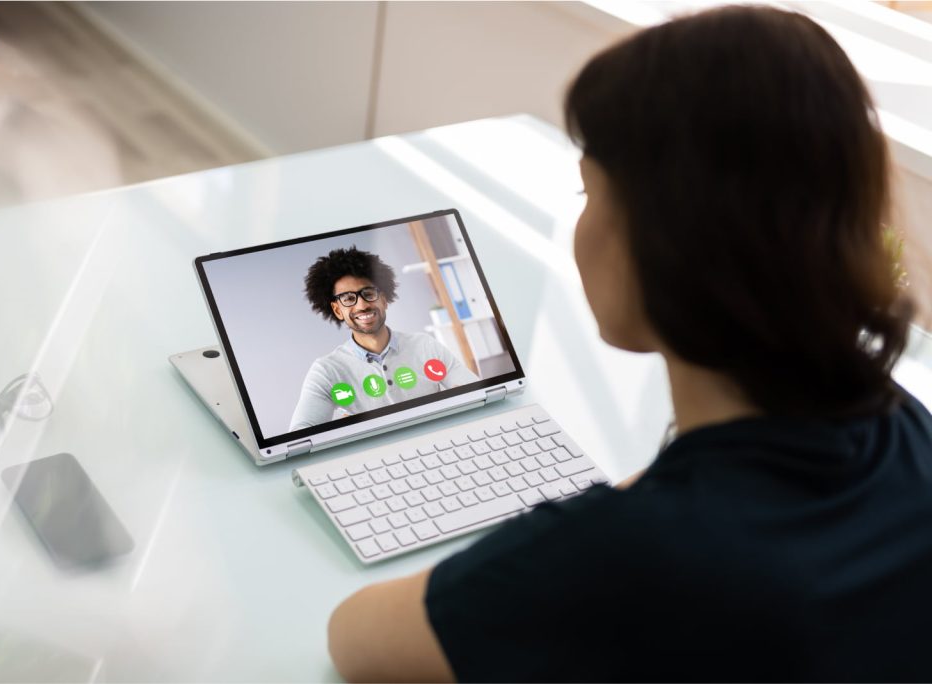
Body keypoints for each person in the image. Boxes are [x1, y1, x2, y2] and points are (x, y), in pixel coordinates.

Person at [326, 6, 932, 682]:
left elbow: (356, 639)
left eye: (589, 190)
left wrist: (558, 538)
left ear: (665, 240)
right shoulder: (906, 428)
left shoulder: (631, 555)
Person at [289, 246, 478, 431]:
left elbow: (474, 391)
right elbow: (300, 434)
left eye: (369, 293)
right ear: (338, 310)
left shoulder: (425, 345)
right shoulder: (327, 370)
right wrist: (343, 429)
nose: (362, 305)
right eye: (348, 299)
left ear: (384, 299)